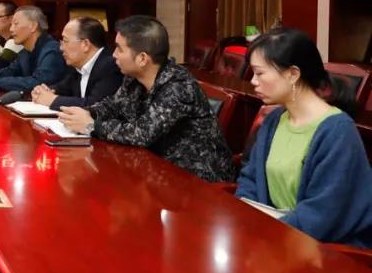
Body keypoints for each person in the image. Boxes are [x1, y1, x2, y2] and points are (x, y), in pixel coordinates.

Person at [236, 28, 372, 247]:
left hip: (325, 250)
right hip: (277, 236)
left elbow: (322, 215)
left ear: (292, 74)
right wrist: (246, 214)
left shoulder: (337, 132)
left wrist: (265, 231)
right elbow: (249, 178)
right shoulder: (275, 120)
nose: (253, 81)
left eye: (259, 73)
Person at [57, 16, 235, 183]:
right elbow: (112, 105)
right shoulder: (133, 78)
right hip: (155, 171)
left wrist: (91, 125)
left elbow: (141, 134)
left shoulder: (178, 86)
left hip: (195, 180)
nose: (114, 55)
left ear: (142, 58)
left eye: (120, 49)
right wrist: (84, 113)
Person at [32, 17, 122, 109]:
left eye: (65, 41)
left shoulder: (111, 66)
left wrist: (53, 100)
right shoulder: (77, 67)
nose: (61, 48)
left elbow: (96, 104)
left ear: (85, 44)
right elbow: (61, 89)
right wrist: (43, 91)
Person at [0, 5, 66, 95]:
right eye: (11, 25)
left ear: (33, 26)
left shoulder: (52, 51)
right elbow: (12, 70)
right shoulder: (25, 51)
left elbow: (39, 82)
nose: (11, 29)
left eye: (16, 24)